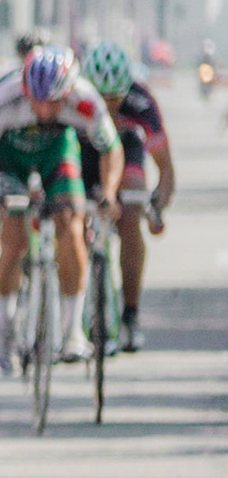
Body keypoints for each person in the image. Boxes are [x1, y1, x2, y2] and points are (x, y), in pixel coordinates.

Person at [0, 46, 121, 370]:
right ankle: (6, 326)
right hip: (11, 160)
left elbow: (111, 149)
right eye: (36, 100)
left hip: (58, 156)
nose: (44, 109)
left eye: (54, 101)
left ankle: (72, 329)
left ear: (68, 91)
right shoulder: (4, 100)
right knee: (14, 240)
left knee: (71, 223)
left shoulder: (85, 101)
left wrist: (108, 191)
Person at [81, 40, 174, 351]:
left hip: (127, 154)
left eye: (114, 98)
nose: (106, 106)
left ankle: (130, 315)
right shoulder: (76, 96)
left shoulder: (141, 100)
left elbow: (165, 168)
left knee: (131, 211)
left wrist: (156, 206)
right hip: (85, 155)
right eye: (100, 97)